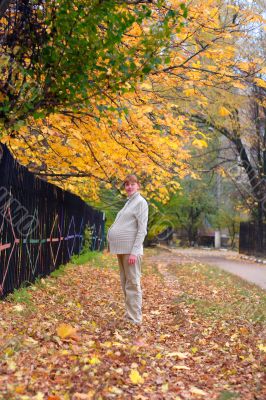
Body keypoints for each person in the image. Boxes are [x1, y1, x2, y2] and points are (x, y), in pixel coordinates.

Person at [107, 174, 149, 325]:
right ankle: (130, 315)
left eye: (132, 184)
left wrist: (135, 251)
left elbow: (142, 229)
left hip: (131, 251)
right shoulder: (129, 202)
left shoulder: (140, 203)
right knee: (126, 283)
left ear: (138, 185)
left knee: (132, 283)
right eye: (126, 184)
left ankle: (135, 319)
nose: (129, 187)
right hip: (123, 250)